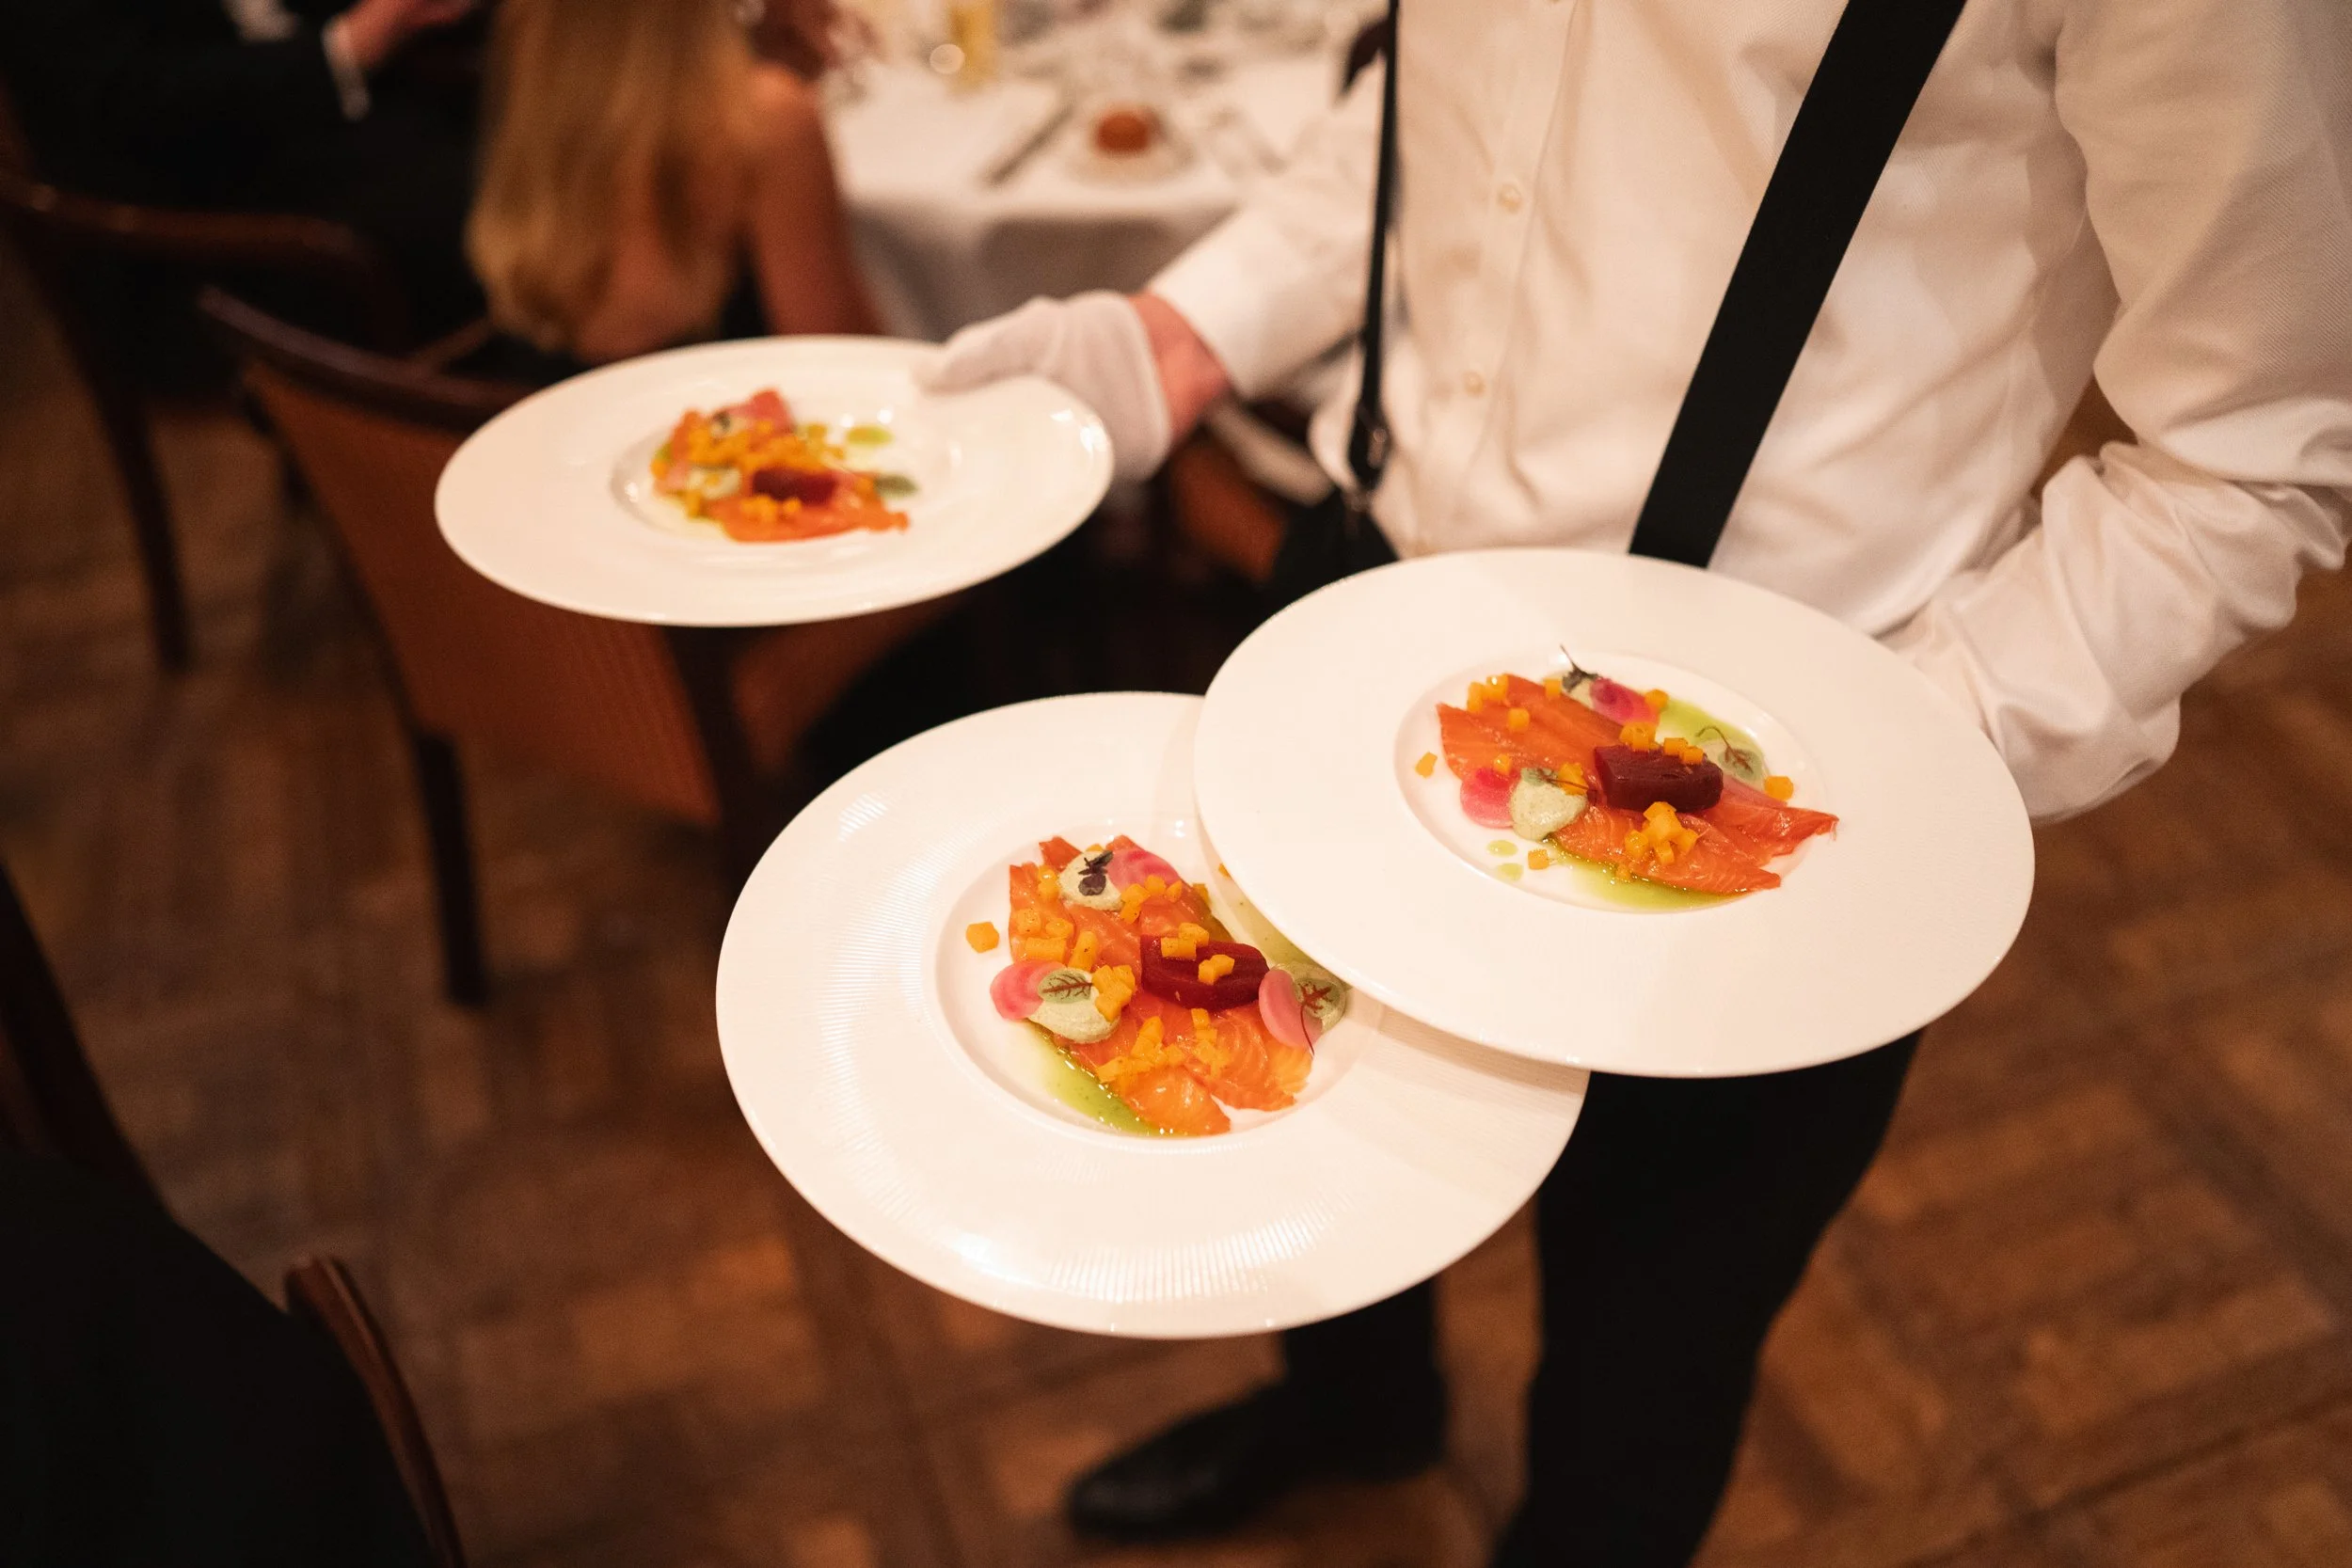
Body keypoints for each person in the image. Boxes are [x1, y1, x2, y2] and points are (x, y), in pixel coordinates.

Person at [925, 0, 2352, 1561]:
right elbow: (1443, 127)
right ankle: (1357, 1414)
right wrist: (1187, 334)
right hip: (1356, 618)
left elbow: (2257, 443)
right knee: (1310, 1142)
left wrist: (1913, 743)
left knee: (1650, 1343)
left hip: (1769, 813)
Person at [0, 0, 486, 333]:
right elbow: (135, 105)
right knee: (504, 216)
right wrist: (345, 49)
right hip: (194, 236)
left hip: (310, 131)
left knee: (531, 149)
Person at [465, 0, 878, 371]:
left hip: (531, 418)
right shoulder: (765, 117)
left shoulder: (529, 61)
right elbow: (851, 363)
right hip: (711, 435)